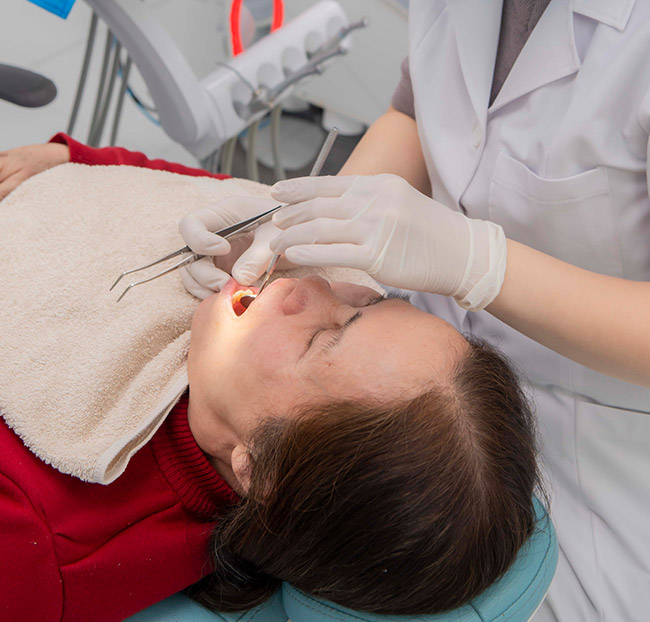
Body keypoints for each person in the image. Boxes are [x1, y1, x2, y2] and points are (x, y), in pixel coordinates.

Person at [174, 2, 650, 621]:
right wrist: (302, 227)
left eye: (335, 329)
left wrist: (481, 263)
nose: (305, 294)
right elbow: (417, 114)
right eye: (359, 309)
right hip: (434, 371)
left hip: (608, 422)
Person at [0, 142, 541, 621]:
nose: (313, 286)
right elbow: (165, 192)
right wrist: (70, 158)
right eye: (374, 303)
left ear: (258, 466)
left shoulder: (39, 538)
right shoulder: (238, 354)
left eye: (321, 338)